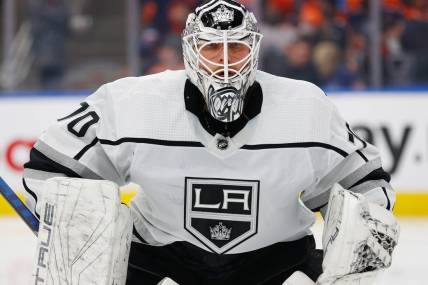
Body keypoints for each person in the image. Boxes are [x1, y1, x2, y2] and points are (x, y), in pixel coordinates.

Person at [22, 1, 398, 284]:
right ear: (190, 51)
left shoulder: (306, 108)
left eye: (235, 47)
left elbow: (365, 186)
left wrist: (351, 257)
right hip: (157, 257)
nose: (224, 62)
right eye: (211, 48)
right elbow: (52, 168)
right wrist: (70, 227)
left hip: (276, 262)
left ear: (254, 51)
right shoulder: (131, 103)